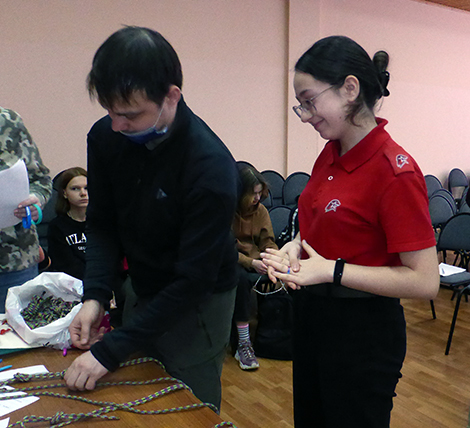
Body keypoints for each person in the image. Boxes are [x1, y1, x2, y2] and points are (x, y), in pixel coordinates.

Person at [262, 36, 439, 428]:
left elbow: (426, 281)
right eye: (301, 105)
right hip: (313, 318)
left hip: (363, 332)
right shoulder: (331, 152)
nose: (305, 115)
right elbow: (320, 226)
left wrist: (332, 270)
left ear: (350, 88)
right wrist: (294, 248)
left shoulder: (394, 171)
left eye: (310, 101)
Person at [64, 26, 239, 411]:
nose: (117, 125)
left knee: (186, 402)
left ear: (171, 96)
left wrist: (109, 352)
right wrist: (95, 296)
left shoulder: (210, 167)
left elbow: (194, 280)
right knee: (135, 388)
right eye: (110, 111)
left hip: (199, 299)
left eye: (130, 115)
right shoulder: (107, 136)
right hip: (143, 285)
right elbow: (102, 223)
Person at [0, 108, 52, 312]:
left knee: (17, 330)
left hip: (13, 260)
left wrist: (35, 201)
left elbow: (40, 180)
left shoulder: (7, 121)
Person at [232, 165, 278, 370]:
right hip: (235, 262)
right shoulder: (227, 210)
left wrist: (273, 258)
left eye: (260, 193)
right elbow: (225, 250)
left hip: (257, 260)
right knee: (240, 279)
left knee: (285, 276)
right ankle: (243, 342)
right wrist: (251, 262)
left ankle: (273, 336)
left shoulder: (261, 211)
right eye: (253, 194)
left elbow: (268, 241)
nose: (257, 198)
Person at [47, 167, 88, 280]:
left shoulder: (103, 224)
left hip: (105, 280)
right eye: (75, 189)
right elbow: (64, 266)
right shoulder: (57, 226)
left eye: (87, 188)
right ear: (65, 193)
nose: (83, 193)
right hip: (72, 282)